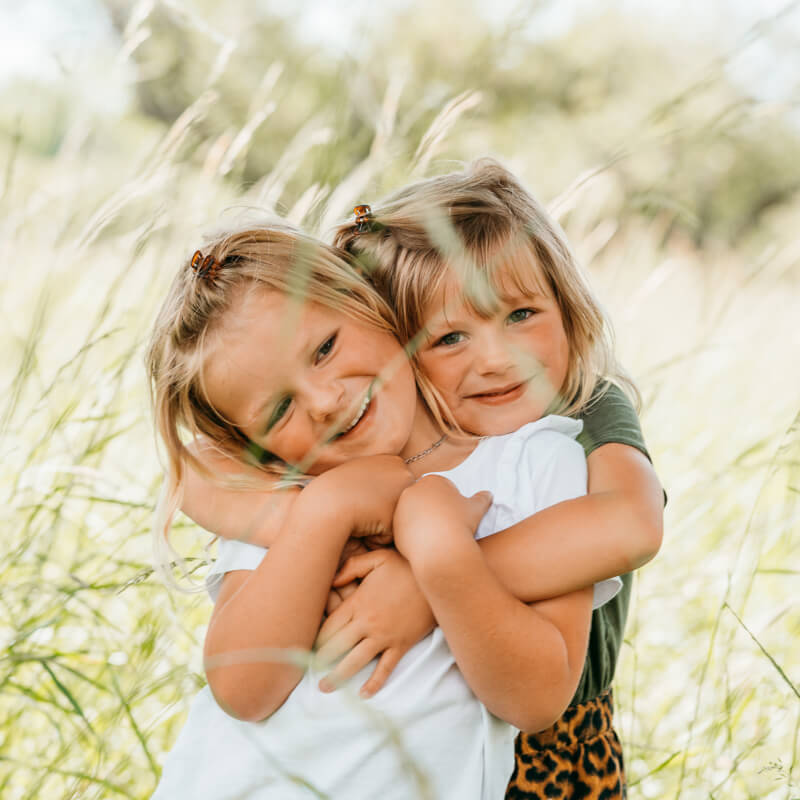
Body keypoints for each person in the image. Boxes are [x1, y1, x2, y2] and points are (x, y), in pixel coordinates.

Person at [146, 225, 611, 799]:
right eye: (280, 409)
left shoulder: (534, 464)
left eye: (324, 349)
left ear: (369, 302)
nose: (322, 402)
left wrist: (441, 557)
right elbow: (244, 690)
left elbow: (537, 700)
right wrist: (326, 512)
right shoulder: (287, 488)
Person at [326, 157, 664, 798]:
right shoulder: (399, 438)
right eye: (449, 338)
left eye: (520, 316)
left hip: (551, 756)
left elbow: (630, 524)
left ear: (565, 303)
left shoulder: (586, 403)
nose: (496, 358)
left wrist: (427, 584)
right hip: (422, 745)